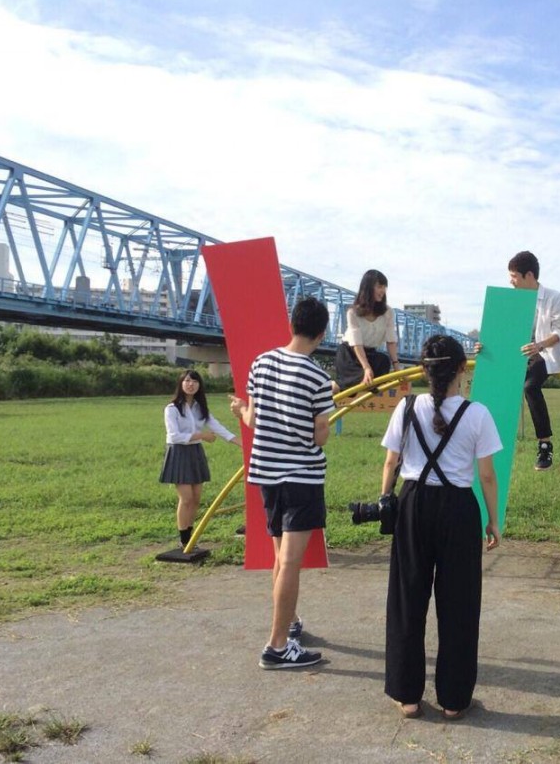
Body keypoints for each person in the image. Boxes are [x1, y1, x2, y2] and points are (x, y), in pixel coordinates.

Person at [381, 335, 501, 720]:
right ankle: (454, 699)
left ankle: (407, 696)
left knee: (407, 600)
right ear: (461, 369)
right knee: (460, 604)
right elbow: (487, 476)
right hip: (459, 509)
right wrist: (493, 519)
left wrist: (386, 499)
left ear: (426, 370)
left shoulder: (405, 407)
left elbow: (390, 463)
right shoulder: (477, 413)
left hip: (413, 503)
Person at [230, 297, 335, 669]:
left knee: (280, 557)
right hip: (302, 477)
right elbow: (320, 436)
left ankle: (288, 625)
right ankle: (277, 646)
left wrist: (241, 410)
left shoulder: (261, 362)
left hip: (267, 474)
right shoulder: (319, 378)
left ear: (292, 324)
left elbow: (253, 420)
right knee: (291, 562)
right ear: (322, 334)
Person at [159, 369, 241, 548]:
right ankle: (184, 538)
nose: (190, 384)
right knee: (186, 498)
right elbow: (174, 436)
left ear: (199, 386)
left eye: (194, 382)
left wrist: (241, 443)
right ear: (181, 384)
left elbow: (218, 428)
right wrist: (202, 436)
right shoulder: (172, 408)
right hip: (179, 453)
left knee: (196, 498)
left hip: (195, 453)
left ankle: (190, 534)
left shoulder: (199, 407)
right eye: (187, 381)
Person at [508, 250, 560, 471]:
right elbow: (504, 332)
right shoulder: (512, 301)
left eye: (514, 276)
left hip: (544, 355)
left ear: (529, 275)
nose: (510, 281)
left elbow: (559, 332)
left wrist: (539, 345)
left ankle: (545, 444)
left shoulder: (554, 297)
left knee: (531, 387)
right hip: (519, 356)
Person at [335, 269, 401, 390]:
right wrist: (366, 368)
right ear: (368, 288)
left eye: (385, 287)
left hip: (371, 354)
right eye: (379, 287)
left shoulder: (388, 312)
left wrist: (396, 365)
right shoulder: (353, 312)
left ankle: (352, 385)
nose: (383, 291)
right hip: (350, 353)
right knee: (352, 383)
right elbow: (357, 343)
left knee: (384, 361)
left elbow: (391, 341)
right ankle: (332, 388)